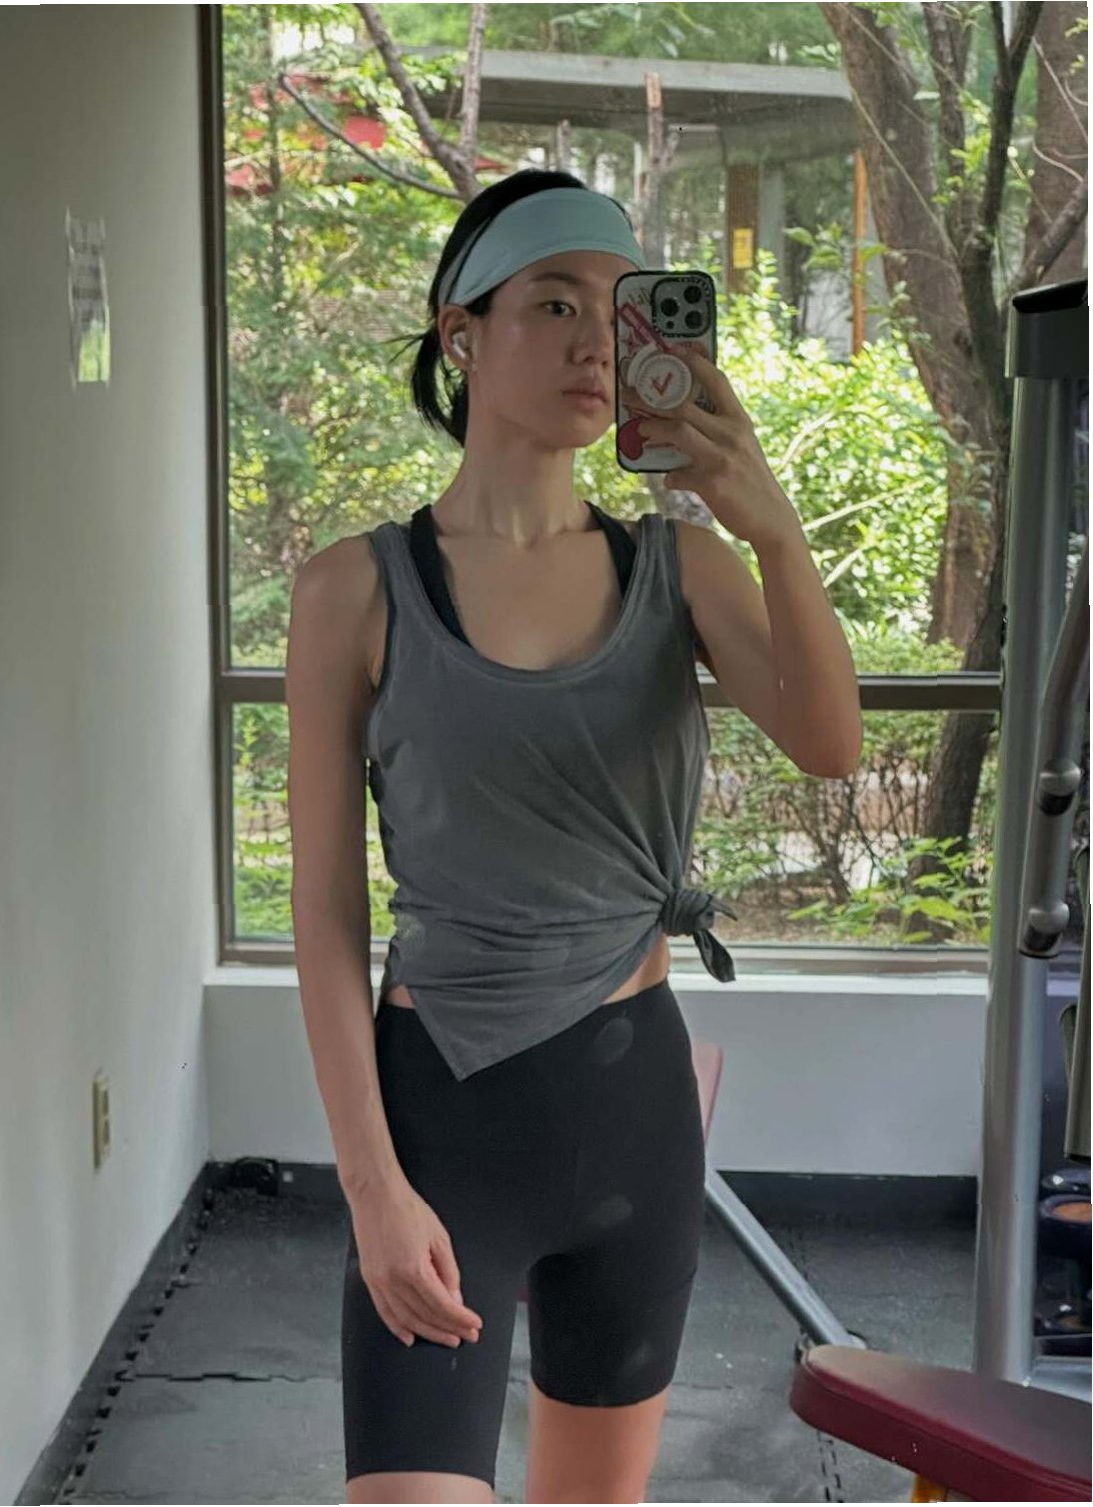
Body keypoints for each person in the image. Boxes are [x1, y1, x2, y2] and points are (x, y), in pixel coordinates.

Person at [285, 168, 857, 1505]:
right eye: (553, 304)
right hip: (442, 1125)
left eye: (619, 310)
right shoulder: (355, 590)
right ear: (461, 333)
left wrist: (770, 522)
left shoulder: (684, 570)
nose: (596, 341)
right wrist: (372, 1189)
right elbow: (324, 909)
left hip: (631, 1123)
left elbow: (829, 744)